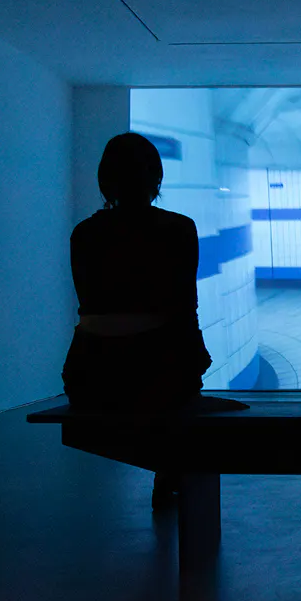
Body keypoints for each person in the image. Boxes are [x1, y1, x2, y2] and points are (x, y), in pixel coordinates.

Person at [63, 133, 212, 504]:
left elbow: (90, 305)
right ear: (155, 179)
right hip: (158, 376)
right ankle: (170, 471)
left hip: (91, 376)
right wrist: (196, 361)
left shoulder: (83, 234)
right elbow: (184, 308)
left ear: (105, 181)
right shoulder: (179, 229)